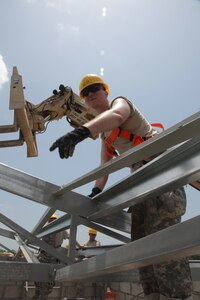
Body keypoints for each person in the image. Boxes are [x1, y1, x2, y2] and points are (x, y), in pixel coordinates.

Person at [50, 74, 193, 300]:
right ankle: (153, 295)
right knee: (142, 245)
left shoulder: (121, 102)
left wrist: (81, 131)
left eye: (94, 89)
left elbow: (116, 116)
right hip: (141, 186)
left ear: (105, 91)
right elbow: (104, 168)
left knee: (164, 243)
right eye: (85, 93)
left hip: (161, 176)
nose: (90, 95)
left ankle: (177, 296)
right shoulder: (105, 137)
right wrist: (94, 194)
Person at [33, 214, 69, 300]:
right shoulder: (50, 228)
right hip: (46, 257)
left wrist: (79, 246)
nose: (52, 222)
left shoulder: (60, 229)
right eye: (51, 220)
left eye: (53, 220)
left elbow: (69, 236)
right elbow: (69, 237)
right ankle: (39, 295)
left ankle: (40, 295)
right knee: (41, 283)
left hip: (52, 258)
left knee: (47, 284)